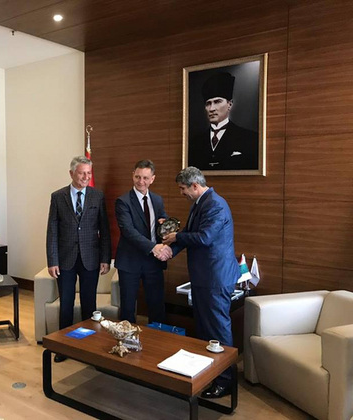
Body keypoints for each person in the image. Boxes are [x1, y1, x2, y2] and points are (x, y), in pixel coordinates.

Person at [163, 166, 240, 398]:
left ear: (195, 186)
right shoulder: (200, 203)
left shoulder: (215, 205)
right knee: (205, 328)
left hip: (215, 278)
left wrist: (176, 237)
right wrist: (168, 250)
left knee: (217, 328)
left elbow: (204, 238)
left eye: (182, 189)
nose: (181, 193)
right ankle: (210, 374)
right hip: (203, 277)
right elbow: (190, 233)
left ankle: (225, 381)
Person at [46, 156, 111, 362]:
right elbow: (52, 230)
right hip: (65, 259)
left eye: (89, 173)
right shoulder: (58, 197)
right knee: (66, 304)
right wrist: (52, 260)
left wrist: (105, 258)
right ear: (71, 173)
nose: (86, 177)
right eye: (82, 173)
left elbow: (105, 230)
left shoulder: (97, 196)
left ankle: (88, 347)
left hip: (91, 258)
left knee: (89, 304)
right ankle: (64, 348)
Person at [115, 159, 172, 324]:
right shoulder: (123, 201)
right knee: (128, 308)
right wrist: (154, 247)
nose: (141, 181)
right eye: (138, 177)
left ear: (152, 179)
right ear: (133, 175)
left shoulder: (157, 200)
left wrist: (166, 226)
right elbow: (128, 231)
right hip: (130, 261)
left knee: (157, 306)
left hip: (153, 261)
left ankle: (157, 338)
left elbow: (162, 222)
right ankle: (127, 339)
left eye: (145, 178)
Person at [188, 71, 258, 171]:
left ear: (229, 104)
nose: (212, 108)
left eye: (217, 102)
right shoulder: (194, 143)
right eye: (208, 103)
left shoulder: (249, 138)